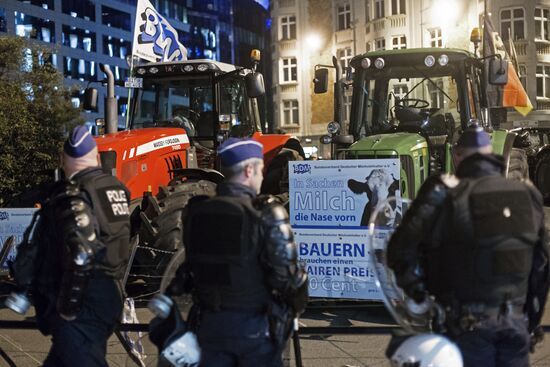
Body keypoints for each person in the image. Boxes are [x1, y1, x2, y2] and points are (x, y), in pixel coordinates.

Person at [386, 127, 549, 367]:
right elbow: (541, 268)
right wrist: (531, 322)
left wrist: (420, 295)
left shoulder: (444, 193)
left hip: (465, 326)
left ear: (458, 156)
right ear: (490, 153)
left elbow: (400, 250)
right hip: (515, 326)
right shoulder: (527, 193)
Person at [179, 137, 308, 367]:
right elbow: (288, 281)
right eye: (260, 170)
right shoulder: (266, 214)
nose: (261, 177)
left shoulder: (196, 213)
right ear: (249, 170)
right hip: (254, 332)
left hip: (208, 328)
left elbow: (189, 271)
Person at [9, 125, 131, 366]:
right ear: (96, 157)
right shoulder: (115, 189)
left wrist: (67, 308)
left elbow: (81, 253)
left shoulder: (72, 194)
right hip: (108, 294)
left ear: (63, 160)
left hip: (81, 306)